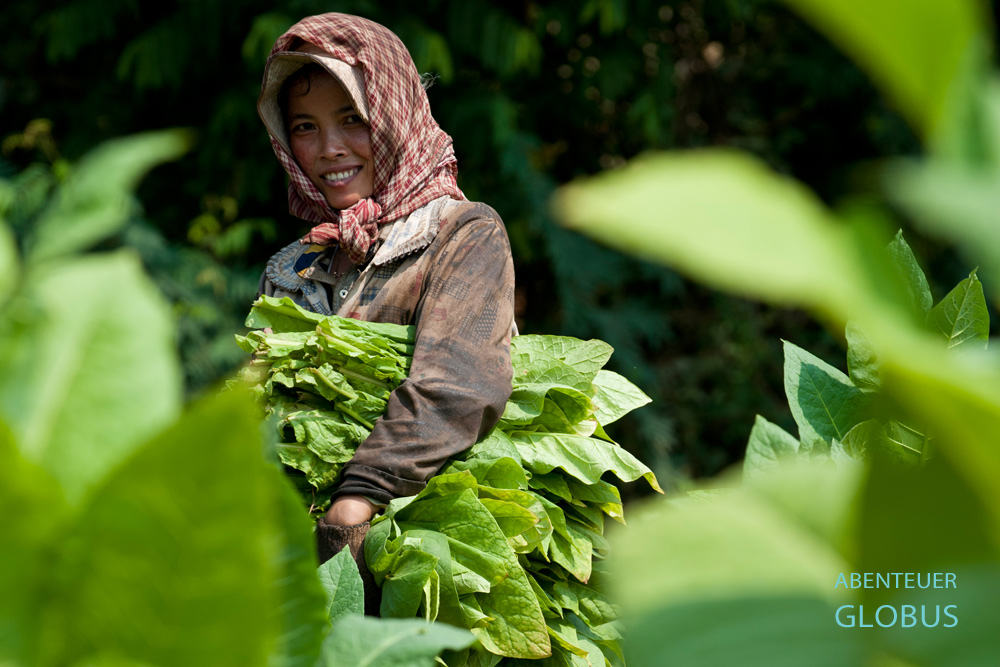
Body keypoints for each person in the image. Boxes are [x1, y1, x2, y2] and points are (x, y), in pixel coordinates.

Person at [255, 13, 516, 611]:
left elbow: (457, 384)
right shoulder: (294, 265)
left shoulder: (460, 233)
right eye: (304, 127)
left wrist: (357, 501)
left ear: (396, 117)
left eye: (353, 120)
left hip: (397, 555)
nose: (330, 150)